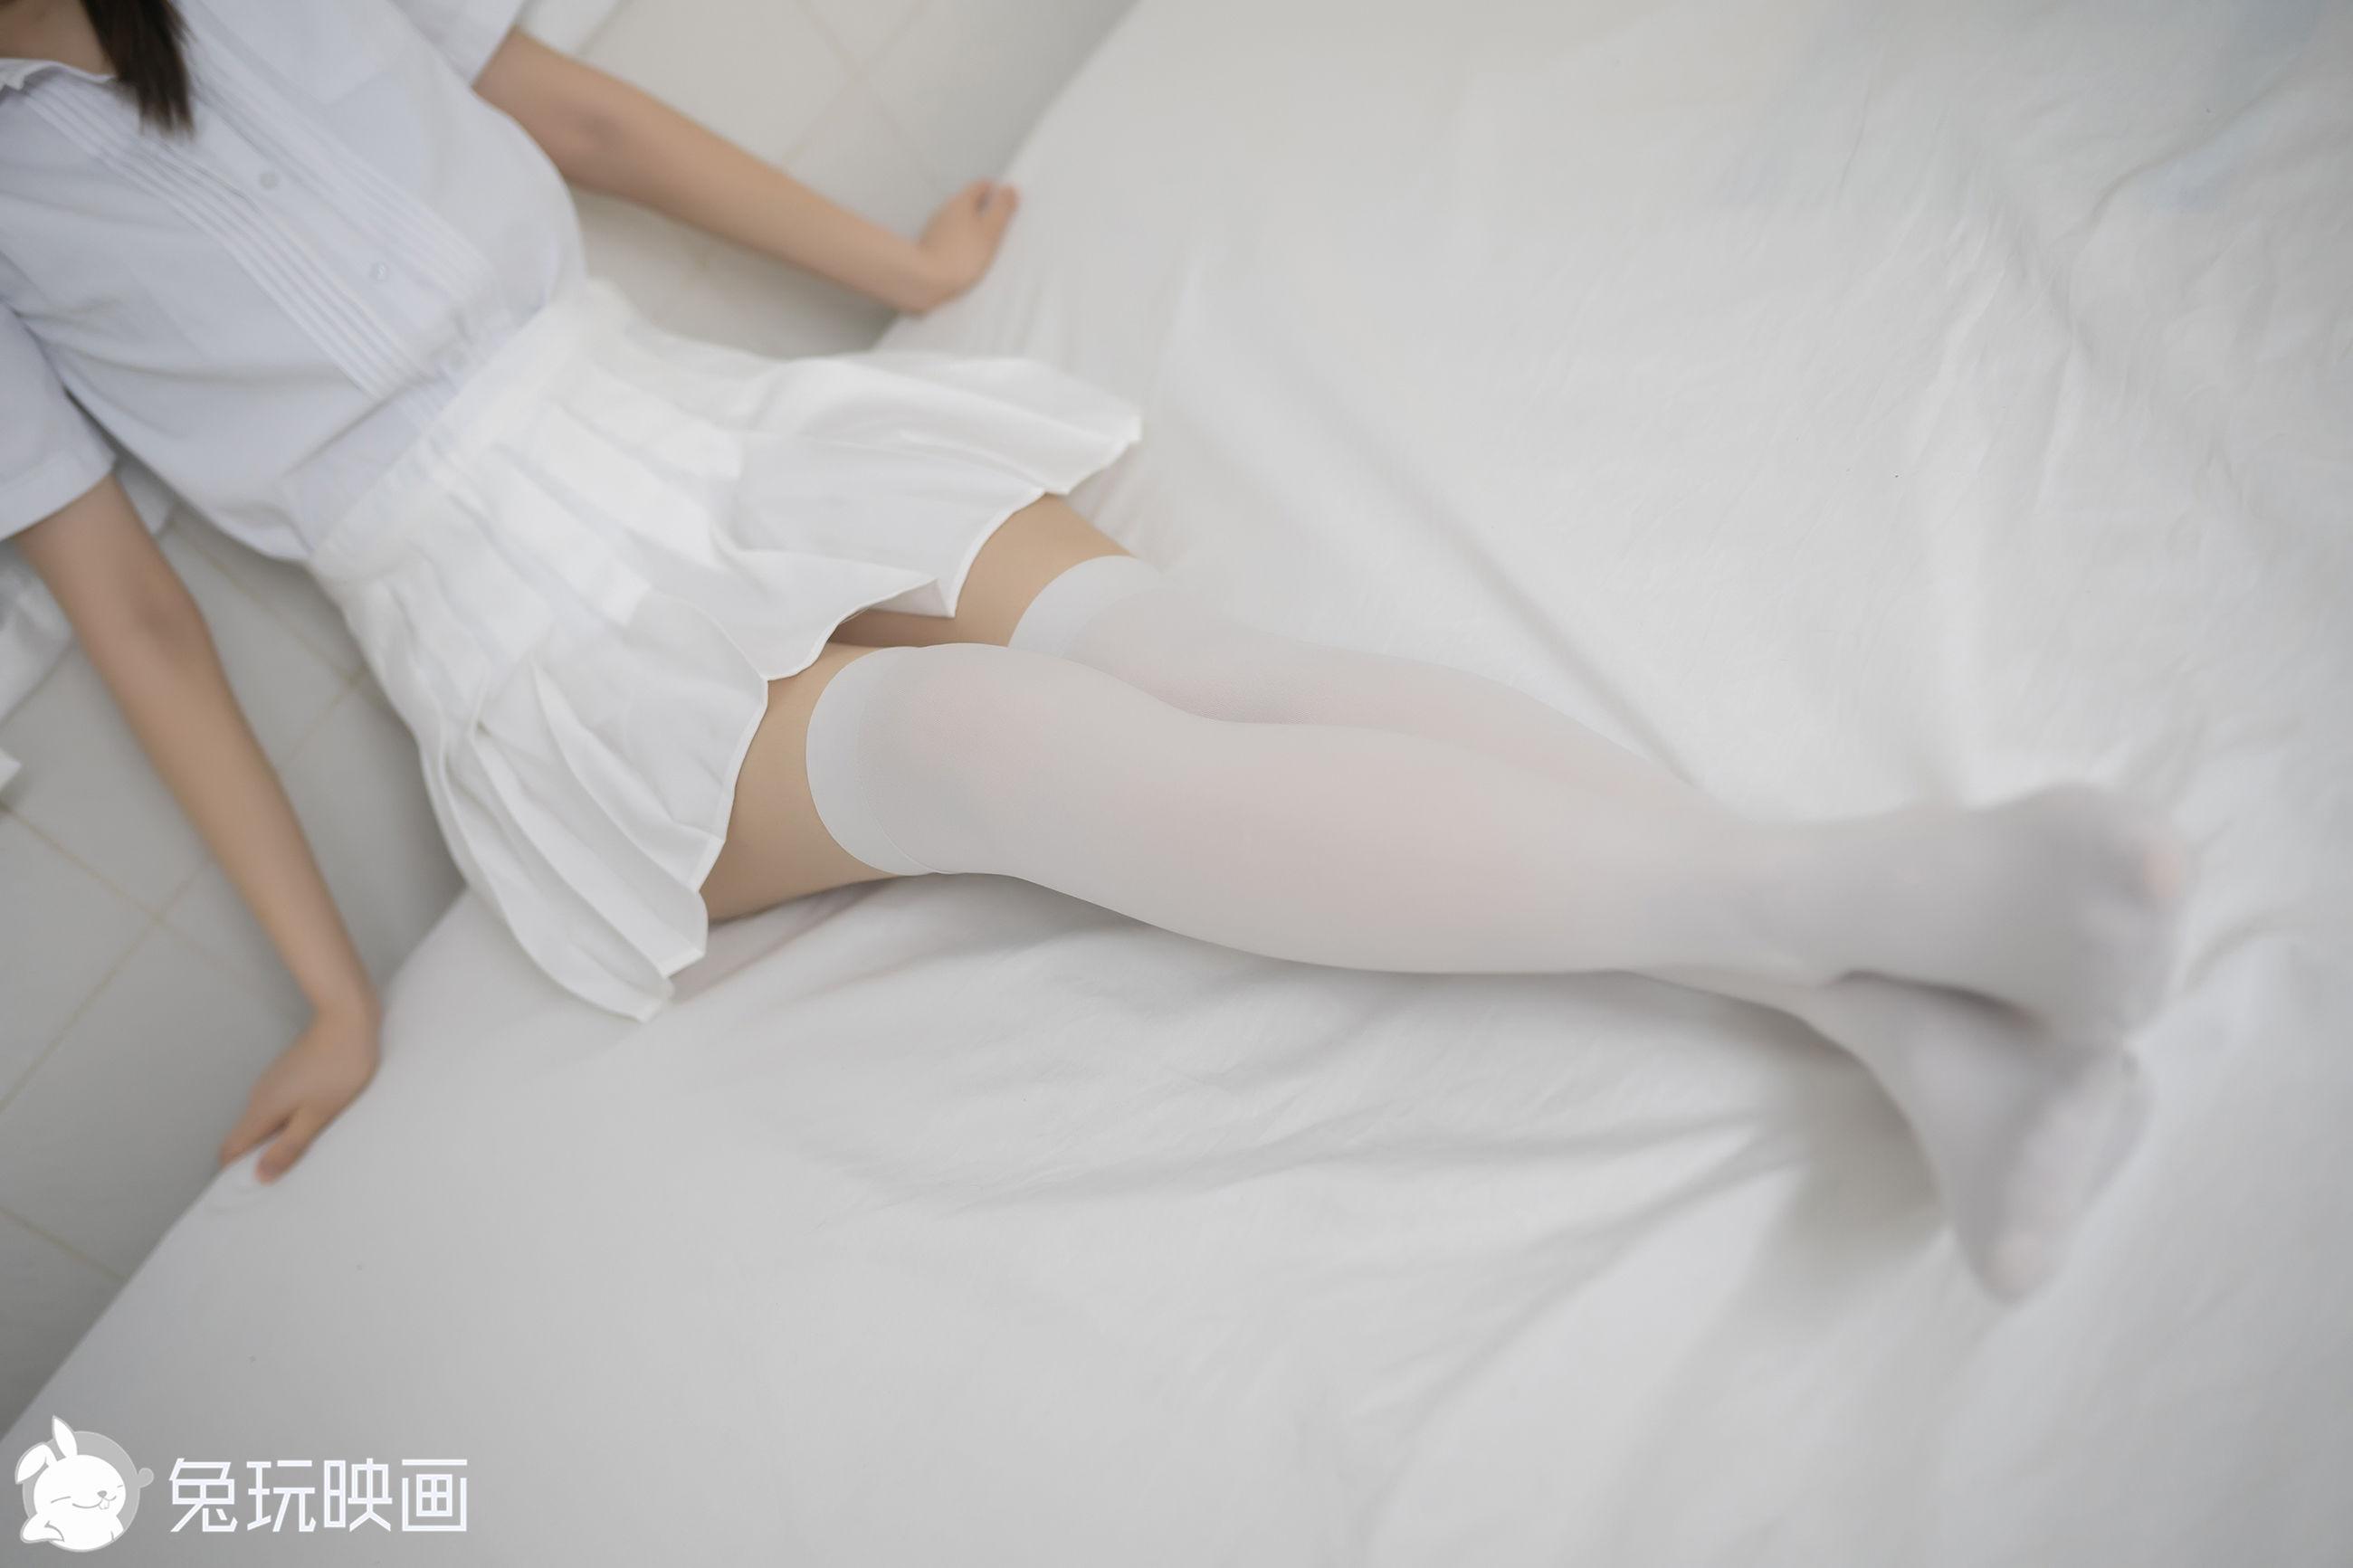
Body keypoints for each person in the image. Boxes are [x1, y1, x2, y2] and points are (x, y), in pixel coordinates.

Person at [0, 0, 2187, 1301]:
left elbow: (576, 120)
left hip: (699, 424)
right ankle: (1858, 909)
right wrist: (333, 995)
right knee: (986, 743)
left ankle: (1911, 1029)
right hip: (519, 638)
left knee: (1185, 655)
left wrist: (901, 269)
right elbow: (137, 614)